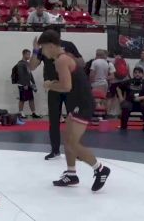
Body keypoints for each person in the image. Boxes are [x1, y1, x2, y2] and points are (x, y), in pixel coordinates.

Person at [38, 29, 110, 191]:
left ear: (50, 46)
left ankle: (100, 169)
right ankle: (71, 174)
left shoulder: (61, 60)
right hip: (77, 102)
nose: (42, 52)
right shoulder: (65, 57)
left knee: (72, 143)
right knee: (68, 140)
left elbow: (65, 86)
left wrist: (50, 85)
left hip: (81, 103)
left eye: (42, 48)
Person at [30, 27, 84, 160]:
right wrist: (36, 49)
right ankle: (55, 150)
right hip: (54, 87)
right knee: (54, 120)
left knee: (73, 119)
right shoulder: (44, 48)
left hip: (69, 86)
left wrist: (68, 58)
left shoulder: (68, 45)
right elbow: (32, 66)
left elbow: (81, 63)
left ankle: (76, 149)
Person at [116, 67, 144, 132]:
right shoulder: (128, 82)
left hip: (141, 102)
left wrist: (140, 98)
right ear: (133, 74)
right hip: (129, 102)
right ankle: (123, 126)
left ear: (142, 74)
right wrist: (121, 98)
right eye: (135, 73)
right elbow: (118, 88)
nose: (137, 74)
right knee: (125, 105)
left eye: (139, 73)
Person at [16, 49, 42, 119]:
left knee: (31, 98)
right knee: (22, 99)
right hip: (23, 85)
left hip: (28, 84)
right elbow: (21, 75)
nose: (29, 56)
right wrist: (24, 84)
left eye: (30, 54)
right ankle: (20, 112)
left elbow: (30, 74)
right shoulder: (20, 64)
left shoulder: (27, 64)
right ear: (24, 54)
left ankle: (33, 112)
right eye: (28, 54)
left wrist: (33, 83)